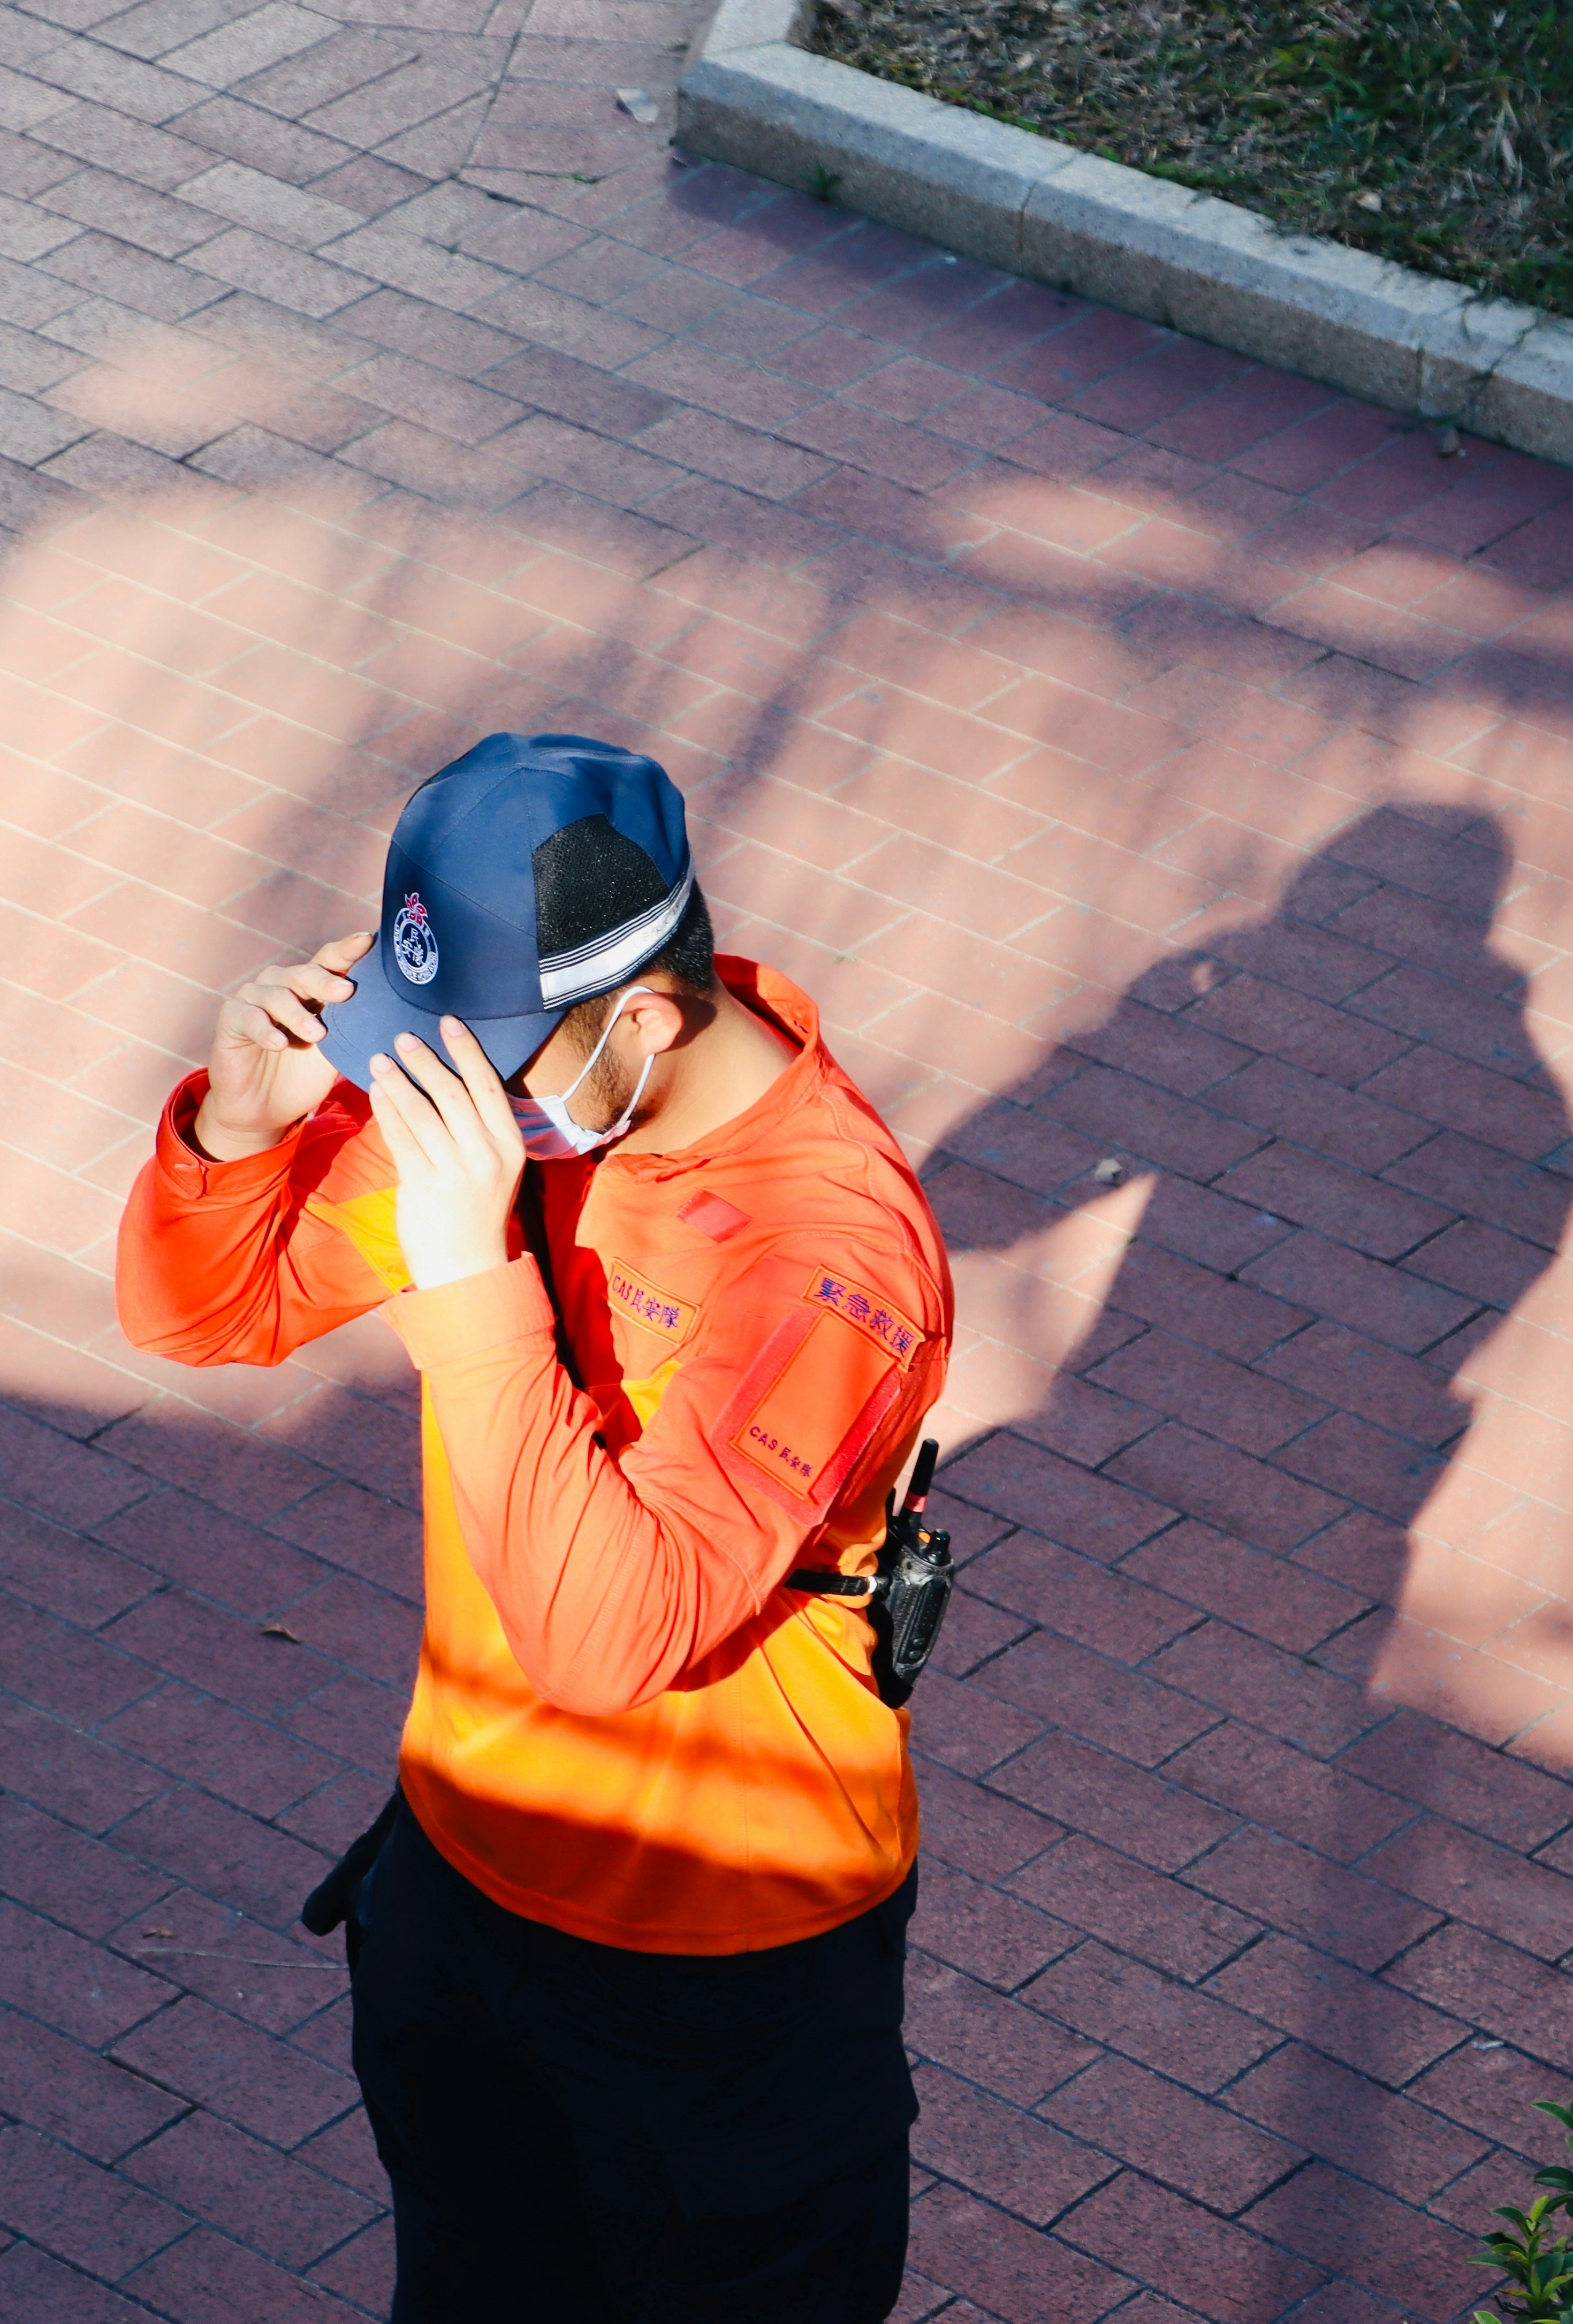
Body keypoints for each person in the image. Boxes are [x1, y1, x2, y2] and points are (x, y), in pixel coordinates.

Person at [116, 733, 953, 2320]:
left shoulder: (829, 1252)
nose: (433, 1100)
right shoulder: (527, 1096)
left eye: (474, 1059)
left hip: (719, 1962)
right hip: (458, 1868)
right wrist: (238, 1128)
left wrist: (468, 1282)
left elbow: (606, 1636)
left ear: (642, 1018)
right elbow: (203, 1318)